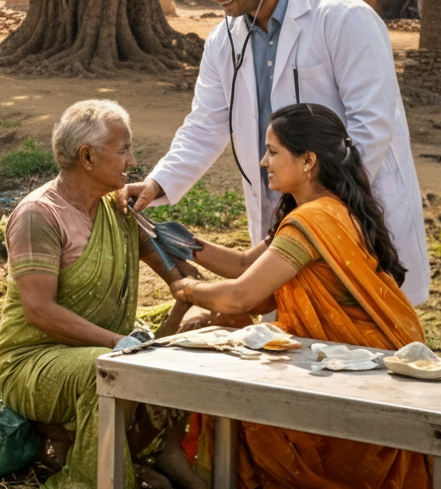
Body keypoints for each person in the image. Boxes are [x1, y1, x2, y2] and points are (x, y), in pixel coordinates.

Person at [122, 0, 429, 305]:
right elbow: (206, 125)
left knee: (363, 330)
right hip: (283, 209)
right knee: (293, 328)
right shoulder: (223, 41)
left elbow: (372, 128)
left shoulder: (342, 17)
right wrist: (156, 184)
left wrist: (320, 207)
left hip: (351, 206)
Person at [168, 104, 429, 488]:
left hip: (354, 366)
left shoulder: (313, 221)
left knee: (228, 368)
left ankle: (187, 464)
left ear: (308, 161)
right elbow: (243, 266)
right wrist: (176, 241)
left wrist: (187, 290)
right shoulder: (326, 210)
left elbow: (242, 296)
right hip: (363, 355)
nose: (262, 161)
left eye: (273, 151)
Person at [0, 100, 198, 489]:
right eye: (123, 150)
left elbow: (183, 278)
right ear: (87, 156)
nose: (132, 160)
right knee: (103, 370)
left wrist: (188, 282)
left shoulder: (118, 211)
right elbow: (39, 311)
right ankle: (100, 478)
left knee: (198, 337)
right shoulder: (39, 215)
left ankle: (162, 454)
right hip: (32, 361)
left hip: (111, 349)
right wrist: (119, 343)